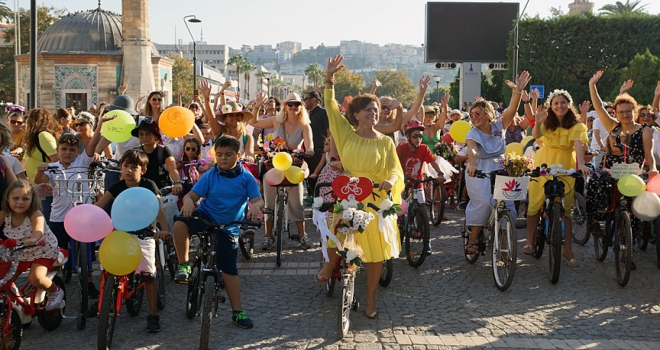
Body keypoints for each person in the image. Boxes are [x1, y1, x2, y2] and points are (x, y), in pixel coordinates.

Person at [320, 55, 404, 319]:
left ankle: (370, 299)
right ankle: (330, 264)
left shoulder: (386, 141)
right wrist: (330, 79)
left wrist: (390, 180)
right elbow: (331, 107)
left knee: (376, 253)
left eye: (376, 109)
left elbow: (394, 167)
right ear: (355, 114)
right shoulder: (345, 134)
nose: (373, 112)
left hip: (376, 197)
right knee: (337, 227)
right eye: (367, 109)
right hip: (350, 192)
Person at [173, 135, 263, 329]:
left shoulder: (246, 177)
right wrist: (188, 201)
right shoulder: (210, 174)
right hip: (205, 215)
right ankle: (184, 265)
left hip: (229, 225)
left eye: (228, 155)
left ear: (238, 155)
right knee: (180, 224)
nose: (223, 158)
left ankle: (237, 311)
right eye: (219, 154)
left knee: (229, 269)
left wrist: (255, 207)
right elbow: (192, 195)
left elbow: (258, 200)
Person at [92, 149, 170, 332]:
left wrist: (164, 228)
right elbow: (100, 205)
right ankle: (104, 303)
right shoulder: (118, 186)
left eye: (134, 167)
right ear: (120, 167)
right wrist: (90, 216)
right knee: (109, 270)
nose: (128, 170)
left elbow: (158, 207)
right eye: (125, 166)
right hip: (121, 233)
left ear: (142, 170)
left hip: (145, 233)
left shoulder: (149, 185)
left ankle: (152, 315)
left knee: (148, 276)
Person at [588, 71, 656, 268]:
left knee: (632, 211)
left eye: (628, 111)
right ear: (615, 114)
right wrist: (592, 85)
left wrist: (652, 169)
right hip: (612, 171)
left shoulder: (644, 130)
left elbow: (649, 154)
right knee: (595, 185)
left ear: (634, 111)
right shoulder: (613, 127)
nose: (625, 115)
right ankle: (596, 223)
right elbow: (599, 106)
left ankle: (628, 250)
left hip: (634, 175)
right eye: (621, 112)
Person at [34, 116, 106, 297]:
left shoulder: (82, 162)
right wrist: (41, 170)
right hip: (59, 215)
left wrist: (100, 125)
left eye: (72, 150)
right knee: (57, 250)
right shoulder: (53, 166)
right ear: (58, 150)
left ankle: (88, 281)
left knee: (86, 250)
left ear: (77, 152)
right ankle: (55, 280)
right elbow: (39, 184)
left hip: (82, 214)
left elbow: (93, 144)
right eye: (64, 149)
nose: (67, 152)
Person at [464, 72, 530, 255]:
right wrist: (473, 164)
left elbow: (511, 109)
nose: (473, 117)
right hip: (479, 169)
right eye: (471, 115)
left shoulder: (498, 126)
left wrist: (518, 91)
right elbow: (472, 150)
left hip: (500, 168)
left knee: (507, 205)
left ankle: (504, 246)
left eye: (477, 114)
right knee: (485, 201)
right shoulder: (472, 132)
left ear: (487, 114)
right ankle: (472, 240)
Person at [524, 88, 591, 267]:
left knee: (566, 209)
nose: (559, 106)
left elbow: (578, 146)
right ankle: (530, 242)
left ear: (569, 105)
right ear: (551, 106)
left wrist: (582, 164)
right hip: (544, 161)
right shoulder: (547, 121)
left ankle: (567, 250)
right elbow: (536, 136)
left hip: (566, 164)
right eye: (556, 103)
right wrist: (538, 122)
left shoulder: (576, 124)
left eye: (563, 103)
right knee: (535, 203)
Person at [247, 91, 315, 250]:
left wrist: (309, 150)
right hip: (274, 164)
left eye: (297, 104)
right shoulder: (276, 121)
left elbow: (310, 144)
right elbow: (253, 122)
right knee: (269, 201)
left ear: (301, 107)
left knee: (297, 201)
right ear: (284, 106)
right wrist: (258, 105)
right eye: (290, 104)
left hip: (294, 165)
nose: (293, 107)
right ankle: (268, 236)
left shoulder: (305, 125)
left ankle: (302, 235)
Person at [0, 179, 63, 311]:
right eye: (15, 198)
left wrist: (33, 238)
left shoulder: (35, 214)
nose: (20, 202)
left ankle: (55, 290)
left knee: (36, 278)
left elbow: (38, 230)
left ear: (32, 199)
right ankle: (16, 306)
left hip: (42, 250)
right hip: (20, 252)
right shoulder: (5, 214)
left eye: (25, 198)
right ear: (7, 198)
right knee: (3, 279)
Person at [396, 120, 444, 254]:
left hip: (417, 182)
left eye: (420, 136)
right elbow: (394, 164)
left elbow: (433, 162)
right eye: (415, 136)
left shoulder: (424, 148)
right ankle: (397, 236)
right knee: (398, 212)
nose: (418, 139)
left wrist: (439, 173)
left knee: (422, 208)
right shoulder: (401, 148)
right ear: (408, 137)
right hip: (402, 183)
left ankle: (426, 239)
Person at [131, 119, 183, 232]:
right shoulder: (135, 153)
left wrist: (177, 182)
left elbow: (172, 169)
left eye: (148, 134)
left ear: (156, 136)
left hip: (163, 190)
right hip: (142, 191)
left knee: (170, 207)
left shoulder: (163, 150)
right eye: (141, 134)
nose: (144, 136)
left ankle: (173, 241)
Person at [303, 91, 329, 204]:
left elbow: (329, 131)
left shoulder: (323, 113)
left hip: (319, 151)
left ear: (313, 99)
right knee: (310, 180)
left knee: (318, 179)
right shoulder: (308, 114)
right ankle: (313, 203)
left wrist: (326, 148)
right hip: (308, 152)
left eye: (306, 99)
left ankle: (319, 205)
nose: (304, 101)